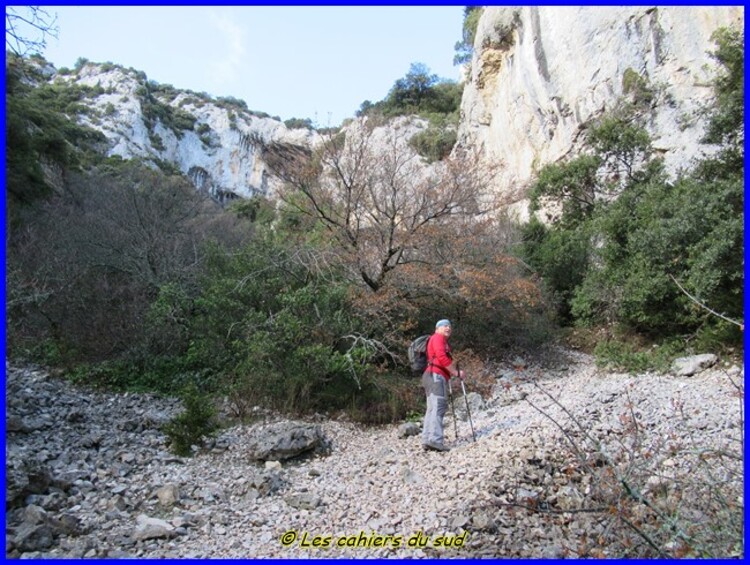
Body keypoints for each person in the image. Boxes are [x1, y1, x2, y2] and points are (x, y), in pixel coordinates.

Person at [421, 319, 465, 452]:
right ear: (437, 328)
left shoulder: (438, 340)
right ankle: (435, 440)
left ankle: (427, 439)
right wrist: (456, 372)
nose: (448, 328)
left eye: (449, 326)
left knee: (432, 408)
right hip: (435, 375)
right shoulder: (438, 338)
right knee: (439, 406)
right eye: (444, 326)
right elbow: (441, 357)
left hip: (431, 376)